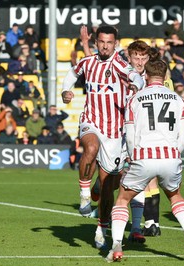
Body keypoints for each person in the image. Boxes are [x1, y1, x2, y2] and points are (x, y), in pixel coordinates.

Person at [106, 59, 184, 262]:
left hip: (144, 157)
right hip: (170, 157)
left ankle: (116, 244)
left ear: (146, 76)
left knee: (123, 199)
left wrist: (133, 157)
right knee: (175, 195)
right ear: (166, 76)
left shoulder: (135, 99)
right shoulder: (179, 100)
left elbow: (131, 136)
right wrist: (171, 154)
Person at [61, 25, 144, 250]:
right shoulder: (88, 63)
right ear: (96, 42)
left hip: (115, 132)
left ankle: (102, 227)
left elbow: (135, 76)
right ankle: (84, 195)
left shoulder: (119, 63)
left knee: (109, 186)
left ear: (115, 43)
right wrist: (65, 91)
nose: (105, 46)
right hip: (91, 121)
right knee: (90, 148)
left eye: (109, 42)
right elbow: (71, 73)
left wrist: (136, 85)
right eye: (101, 42)